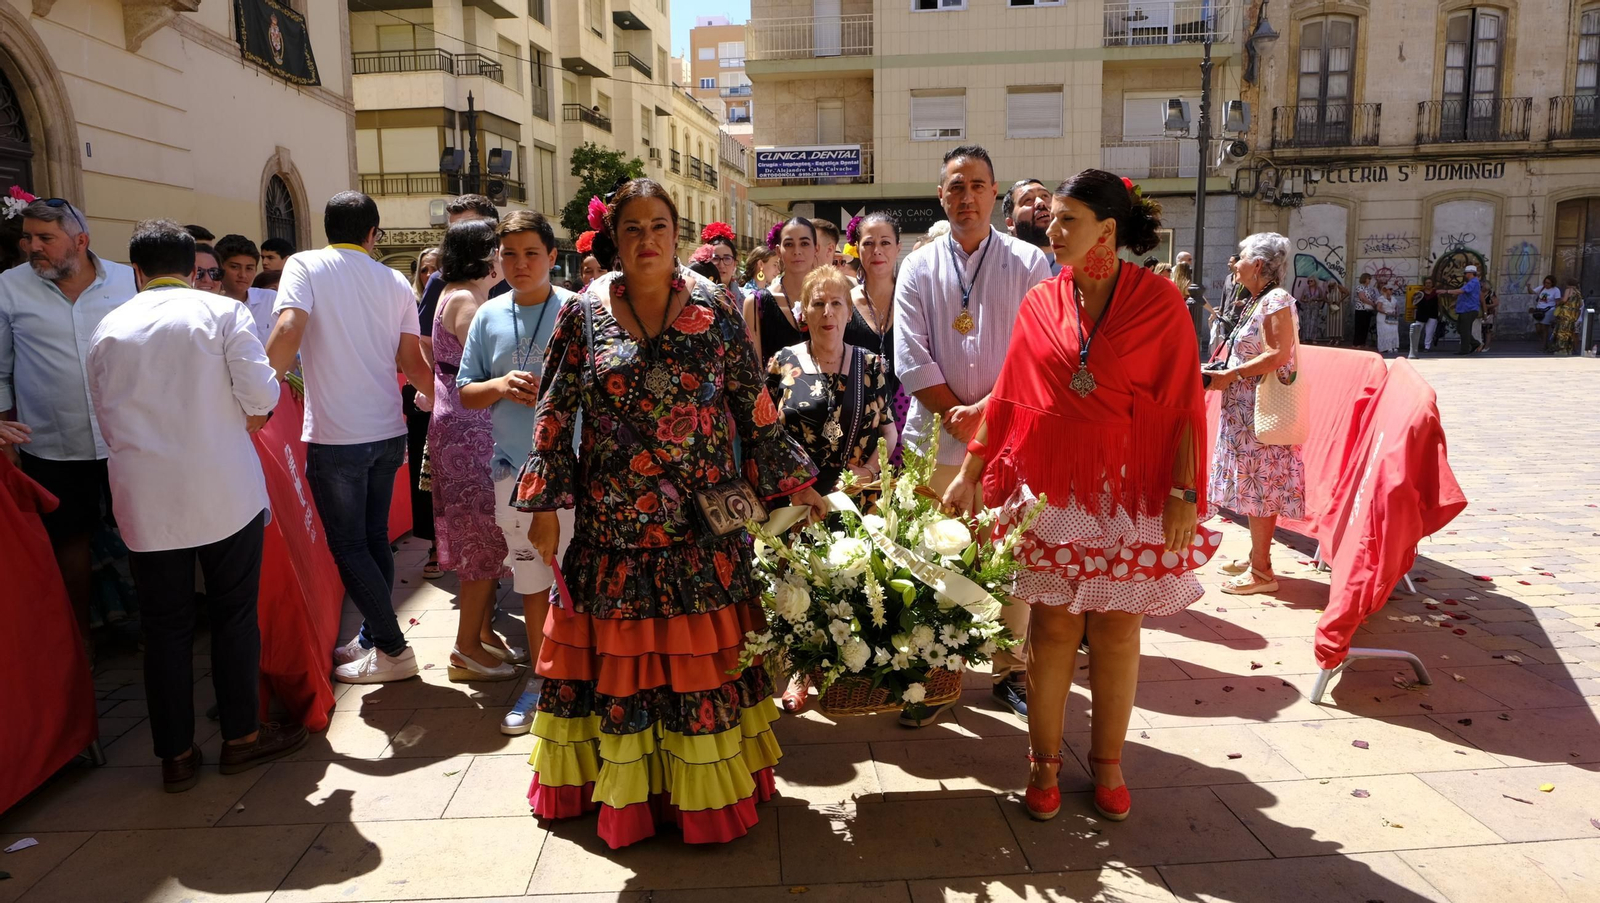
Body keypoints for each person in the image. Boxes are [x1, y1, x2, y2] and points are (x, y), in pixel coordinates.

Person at [513, 178, 827, 848]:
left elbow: (752, 401)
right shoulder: (582, 313)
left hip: (701, 531)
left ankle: (699, 798)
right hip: (613, 528)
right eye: (632, 228)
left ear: (676, 233)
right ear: (613, 238)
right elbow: (555, 409)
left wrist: (796, 483)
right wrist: (541, 505)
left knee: (695, 662)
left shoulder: (715, 306)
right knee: (623, 662)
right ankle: (625, 793)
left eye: (659, 226)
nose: (647, 239)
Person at [944, 170, 1211, 824]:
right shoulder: (1041, 301)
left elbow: (1183, 404)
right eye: (1052, 219)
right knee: (1055, 625)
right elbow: (1010, 397)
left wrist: (1184, 491)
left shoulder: (1161, 303)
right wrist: (971, 470)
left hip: (1132, 491)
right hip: (1057, 489)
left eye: (1068, 220)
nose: (1053, 231)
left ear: (1107, 230)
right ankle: (1043, 763)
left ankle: (1109, 763)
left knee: (1118, 629)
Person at [86, 219, 305, 791]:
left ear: (136, 272)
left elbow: (103, 416)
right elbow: (261, 395)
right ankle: (242, 737)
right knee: (234, 617)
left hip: (146, 496)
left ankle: (176, 755)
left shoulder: (109, 326)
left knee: (165, 628)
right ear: (191, 270)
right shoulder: (221, 312)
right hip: (222, 490)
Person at [894, 145, 1053, 726]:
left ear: (995, 194)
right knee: (938, 561)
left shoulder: (1028, 262)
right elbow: (909, 356)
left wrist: (987, 412)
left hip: (1011, 440)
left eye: (977, 186)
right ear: (941, 195)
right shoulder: (917, 266)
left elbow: (1038, 352)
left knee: (1010, 562)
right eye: (956, 187)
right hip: (934, 438)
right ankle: (939, 678)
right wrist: (955, 413)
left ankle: (1010, 673)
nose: (966, 197)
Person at [265, 191, 434, 684]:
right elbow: (411, 362)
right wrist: (443, 400)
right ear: (373, 234)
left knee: (351, 546)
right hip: (387, 431)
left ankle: (392, 648)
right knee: (373, 539)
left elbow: (289, 327)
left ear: (327, 228)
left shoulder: (305, 265)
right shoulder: (394, 279)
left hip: (338, 436)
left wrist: (255, 390)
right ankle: (374, 638)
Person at [458, 210, 576, 733]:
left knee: (584, 577)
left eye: (532, 253)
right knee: (531, 580)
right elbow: (465, 392)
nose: (520, 264)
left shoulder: (578, 309)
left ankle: (588, 681)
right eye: (509, 255)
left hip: (576, 469)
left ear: (552, 256)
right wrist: (501, 386)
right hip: (513, 471)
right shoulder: (487, 315)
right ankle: (542, 680)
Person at [0, 198, 137, 644]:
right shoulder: (9, 287)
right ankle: (78, 643)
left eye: (45, 237)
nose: (32, 247)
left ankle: (160, 633)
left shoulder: (128, 281)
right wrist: (7, 441)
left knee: (144, 536)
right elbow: (0, 372)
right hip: (52, 444)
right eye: (28, 237)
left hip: (127, 441)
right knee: (68, 543)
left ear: (80, 241)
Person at [421, 219, 524, 684]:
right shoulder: (465, 300)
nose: (506, 258)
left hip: (463, 426)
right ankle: (465, 649)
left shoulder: (458, 294)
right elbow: (486, 362)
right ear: (484, 255)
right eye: (501, 250)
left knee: (481, 533)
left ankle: (481, 635)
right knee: (481, 536)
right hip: (469, 431)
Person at [1207, 232, 1306, 596]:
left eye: (1242, 257)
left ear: (1259, 264)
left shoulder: (1275, 299)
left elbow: (1279, 353)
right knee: (1254, 488)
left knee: (1261, 488)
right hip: (1246, 411)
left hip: (1260, 413)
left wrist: (1232, 374)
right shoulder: (1258, 299)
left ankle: (1262, 572)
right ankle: (1256, 557)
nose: (1235, 264)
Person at [767, 264, 895, 494]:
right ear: (804, 312)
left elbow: (889, 432)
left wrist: (869, 471)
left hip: (856, 497)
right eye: (818, 303)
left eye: (836, 303)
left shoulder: (871, 365)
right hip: (798, 499)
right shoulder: (782, 362)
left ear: (849, 312)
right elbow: (765, 433)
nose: (828, 312)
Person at [846, 211, 909, 466]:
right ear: (858, 248)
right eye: (869, 243)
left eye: (885, 242)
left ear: (898, 247)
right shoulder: (843, 302)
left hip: (908, 414)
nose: (877, 251)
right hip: (859, 418)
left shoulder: (913, 299)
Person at [404, 246, 442, 578]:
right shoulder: (409, 305)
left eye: (436, 268)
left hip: (458, 397)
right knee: (424, 476)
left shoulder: (466, 298)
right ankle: (434, 546)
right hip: (420, 399)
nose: (429, 275)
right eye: (424, 269)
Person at [743, 217, 817, 364]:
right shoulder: (756, 303)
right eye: (789, 244)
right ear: (778, 251)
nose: (797, 251)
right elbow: (754, 368)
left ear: (816, 248)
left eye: (804, 243)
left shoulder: (833, 299)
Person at [214, 234, 277, 342]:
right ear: (219, 268)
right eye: (235, 267)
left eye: (249, 268)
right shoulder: (209, 305)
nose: (242, 275)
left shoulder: (271, 300)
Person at [1003, 179, 1054, 270]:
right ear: (1011, 223)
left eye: (1045, 196)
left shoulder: (1079, 263)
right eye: (1028, 200)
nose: (1040, 202)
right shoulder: (1001, 267)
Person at [1439, 264, 1483, 354]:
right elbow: (1465, 295)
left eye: (1465, 273)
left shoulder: (1473, 282)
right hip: (1465, 309)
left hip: (1469, 309)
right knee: (1461, 329)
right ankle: (1474, 344)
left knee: (1464, 330)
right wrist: (1455, 303)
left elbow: (1461, 291)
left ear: (1470, 273)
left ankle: (1464, 349)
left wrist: (1446, 291)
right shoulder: (1470, 283)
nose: (1464, 275)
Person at [1552, 277, 1583, 355]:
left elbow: (1564, 300)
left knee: (1562, 331)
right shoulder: (1578, 292)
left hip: (1566, 314)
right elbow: (1581, 304)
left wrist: (1559, 303)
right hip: (1573, 315)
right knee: (1570, 332)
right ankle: (1569, 349)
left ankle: (1562, 350)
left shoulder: (1568, 290)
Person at [1533, 275, 1562, 352]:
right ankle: (1545, 341)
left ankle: (1544, 346)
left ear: (1552, 283)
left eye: (1548, 283)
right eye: (1545, 282)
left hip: (1549, 310)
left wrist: (1557, 313)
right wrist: (1528, 287)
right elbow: (1532, 292)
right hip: (1539, 310)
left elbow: (1558, 302)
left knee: (1544, 327)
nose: (1546, 284)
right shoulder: (1542, 288)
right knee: (1538, 328)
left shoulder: (1556, 290)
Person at [1351, 273, 1379, 348]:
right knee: (1359, 326)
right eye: (1368, 278)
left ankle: (1363, 342)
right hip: (1360, 309)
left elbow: (1373, 296)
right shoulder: (1360, 287)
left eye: (1370, 279)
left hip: (1368, 309)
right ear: (1364, 279)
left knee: (1366, 326)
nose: (1369, 280)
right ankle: (1356, 343)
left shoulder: (1369, 288)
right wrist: (1372, 304)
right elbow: (1362, 298)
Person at [1415, 277, 1441, 352]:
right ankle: (1414, 346)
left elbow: (1439, 303)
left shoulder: (1436, 293)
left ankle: (1427, 346)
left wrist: (1441, 313)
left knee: (1429, 332)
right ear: (1424, 284)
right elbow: (1414, 302)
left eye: (1429, 283)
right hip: (1421, 314)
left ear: (1432, 284)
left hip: (1432, 314)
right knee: (1417, 331)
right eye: (1426, 283)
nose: (1428, 284)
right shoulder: (1420, 293)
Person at [1375, 280, 1401, 355]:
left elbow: (1397, 307)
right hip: (1383, 317)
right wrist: (1386, 312)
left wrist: (1397, 313)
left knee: (1393, 331)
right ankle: (1386, 347)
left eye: (1391, 289)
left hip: (1392, 317)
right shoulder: (1381, 298)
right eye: (1390, 289)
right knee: (1386, 331)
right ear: (1385, 290)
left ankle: (1393, 346)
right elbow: (1378, 308)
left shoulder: (1393, 298)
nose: (1391, 291)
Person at [1478, 273, 1497, 353]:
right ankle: (1480, 345)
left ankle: (1487, 346)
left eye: (1482, 284)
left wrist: (1486, 306)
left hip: (1489, 314)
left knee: (1488, 330)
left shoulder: (1491, 294)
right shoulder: (1479, 293)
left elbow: (1496, 303)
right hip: (1480, 313)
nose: (1481, 286)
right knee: (1480, 330)